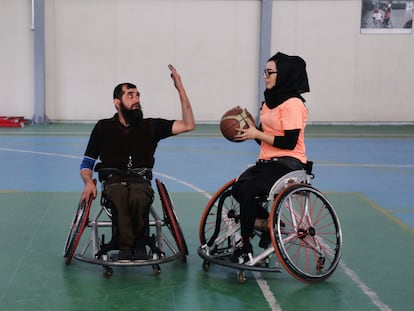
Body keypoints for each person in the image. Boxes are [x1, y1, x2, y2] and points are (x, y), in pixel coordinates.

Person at [79, 64, 195, 260]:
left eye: (138, 95)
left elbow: (188, 124)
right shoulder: (103, 127)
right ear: (117, 102)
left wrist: (179, 87)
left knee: (138, 197)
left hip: (140, 181)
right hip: (113, 180)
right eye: (130, 95)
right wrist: (88, 182)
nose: (136, 100)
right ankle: (126, 246)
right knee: (119, 194)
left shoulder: (150, 126)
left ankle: (138, 244)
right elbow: (87, 163)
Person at [230, 52, 309, 263]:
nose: (265, 76)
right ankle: (268, 223)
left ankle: (245, 246)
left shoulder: (293, 104)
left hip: (289, 163)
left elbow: (288, 142)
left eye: (269, 72)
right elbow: (265, 140)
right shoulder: (268, 101)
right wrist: (251, 131)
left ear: (283, 74)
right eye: (264, 72)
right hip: (267, 162)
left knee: (247, 191)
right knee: (237, 189)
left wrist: (258, 133)